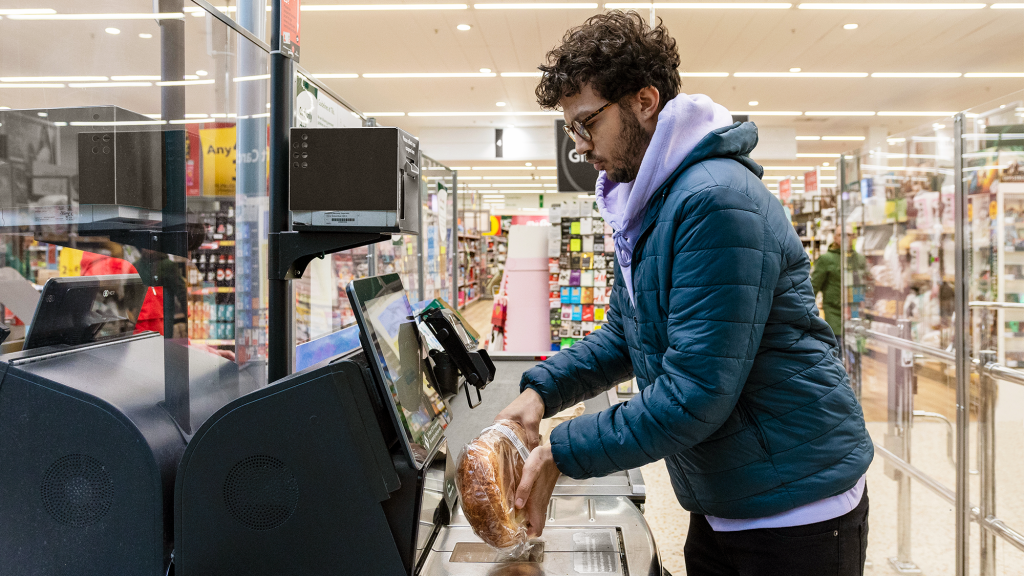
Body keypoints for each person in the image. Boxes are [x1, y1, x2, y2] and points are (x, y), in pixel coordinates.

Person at [495, 11, 873, 576]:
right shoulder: (653, 205)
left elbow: (695, 393)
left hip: (794, 508)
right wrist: (541, 394)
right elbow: (626, 334)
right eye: (570, 130)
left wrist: (562, 450)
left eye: (587, 124)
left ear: (645, 100)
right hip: (731, 494)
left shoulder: (713, 201)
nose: (578, 148)